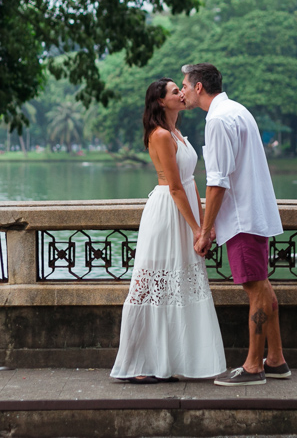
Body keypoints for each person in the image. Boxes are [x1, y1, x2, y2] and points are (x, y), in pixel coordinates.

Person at [180, 63, 291, 386]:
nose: (183, 91)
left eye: (185, 85)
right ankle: (276, 359)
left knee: (254, 288)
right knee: (261, 285)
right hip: (252, 214)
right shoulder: (237, 110)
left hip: (242, 218)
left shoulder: (217, 119)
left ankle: (254, 365)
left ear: (199, 87)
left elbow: (217, 183)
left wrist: (204, 229)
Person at [110, 78, 227, 384]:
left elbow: (190, 184)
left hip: (185, 209)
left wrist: (206, 223)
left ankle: (167, 361)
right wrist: (197, 229)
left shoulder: (178, 133)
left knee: (179, 289)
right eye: (175, 91)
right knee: (151, 287)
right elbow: (174, 188)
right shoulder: (161, 135)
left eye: (181, 88)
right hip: (167, 215)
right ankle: (136, 364)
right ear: (162, 101)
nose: (182, 93)